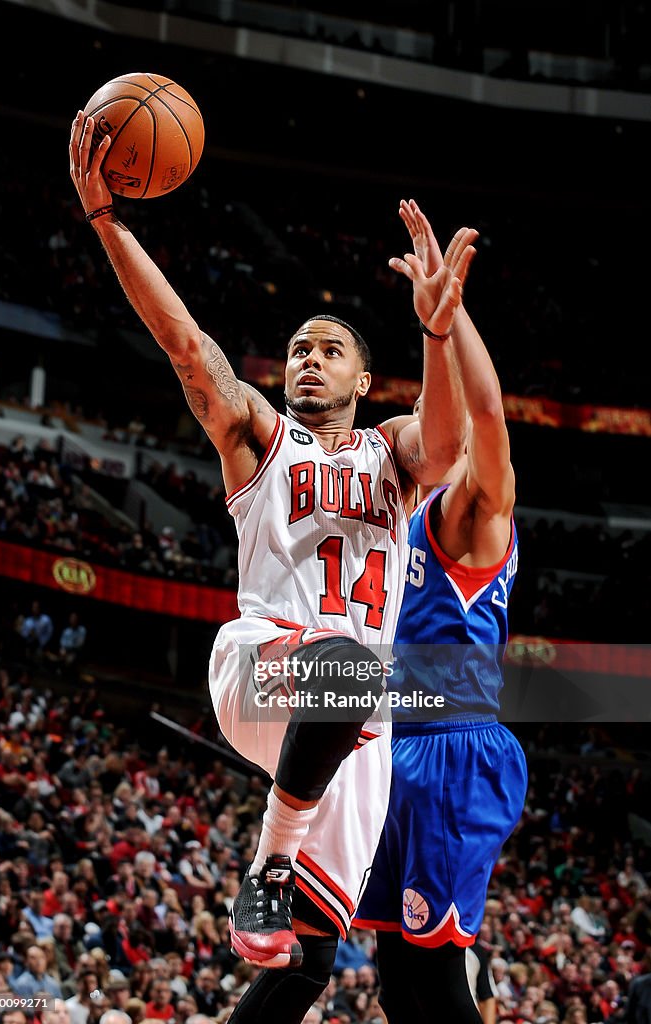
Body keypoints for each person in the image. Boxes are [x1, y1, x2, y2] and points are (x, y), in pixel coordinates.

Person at [69, 114, 475, 1023]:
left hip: (351, 728)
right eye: (298, 347)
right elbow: (187, 348)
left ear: (363, 382)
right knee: (352, 668)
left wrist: (438, 338)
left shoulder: (393, 456)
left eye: (329, 349)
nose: (308, 358)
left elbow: (447, 444)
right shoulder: (259, 436)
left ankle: (276, 877)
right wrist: (109, 223)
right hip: (263, 665)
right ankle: (267, 860)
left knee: (305, 962)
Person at [353, 205, 528, 1023]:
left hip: (453, 750)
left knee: (436, 981)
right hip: (398, 747)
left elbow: (488, 419)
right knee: (395, 980)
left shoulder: (469, 515)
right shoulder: (395, 519)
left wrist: (448, 324)